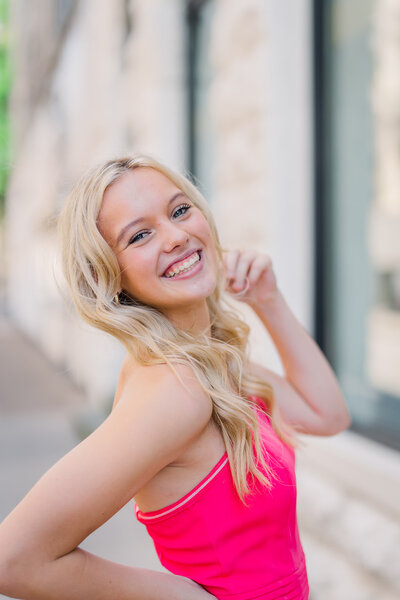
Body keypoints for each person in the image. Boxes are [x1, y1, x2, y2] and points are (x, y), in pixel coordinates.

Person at [0, 155, 351, 600]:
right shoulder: (176, 389)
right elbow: (14, 559)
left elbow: (328, 414)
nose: (176, 236)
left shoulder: (210, 360)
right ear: (110, 276)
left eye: (180, 210)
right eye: (140, 235)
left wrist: (268, 299)